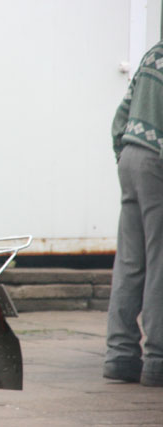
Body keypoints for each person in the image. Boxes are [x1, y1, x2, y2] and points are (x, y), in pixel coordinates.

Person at [104, 39, 163, 387]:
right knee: (159, 261)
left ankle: (120, 355)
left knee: (130, 261)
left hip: (131, 155)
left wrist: (125, 155)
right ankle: (158, 358)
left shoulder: (154, 53)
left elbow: (121, 117)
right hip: (157, 161)